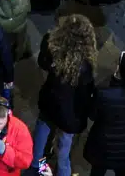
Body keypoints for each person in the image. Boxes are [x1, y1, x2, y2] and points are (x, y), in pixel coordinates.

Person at [31, 13, 96, 176]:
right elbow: (83, 96)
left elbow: (42, 62)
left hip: (49, 101)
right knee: (64, 149)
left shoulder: (51, 44)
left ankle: (38, 165)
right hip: (69, 114)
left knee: (42, 134)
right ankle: (62, 172)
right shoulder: (85, 66)